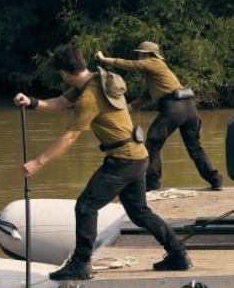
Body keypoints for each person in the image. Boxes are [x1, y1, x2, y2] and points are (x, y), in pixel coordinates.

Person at [14, 44, 191, 280]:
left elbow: (69, 139)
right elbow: (59, 102)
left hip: (123, 160)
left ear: (64, 74)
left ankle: (80, 263)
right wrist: (31, 102)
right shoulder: (99, 79)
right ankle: (178, 254)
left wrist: (38, 162)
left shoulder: (88, 97)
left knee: (86, 206)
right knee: (139, 212)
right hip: (138, 155)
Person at [95, 41, 222, 192]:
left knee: (152, 145)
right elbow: (144, 98)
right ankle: (216, 181)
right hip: (189, 108)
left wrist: (103, 59)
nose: (139, 56)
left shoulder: (154, 62)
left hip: (174, 108)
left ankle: (152, 185)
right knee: (195, 148)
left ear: (148, 55)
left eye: (140, 54)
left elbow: (129, 64)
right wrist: (124, 109)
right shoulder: (156, 76)